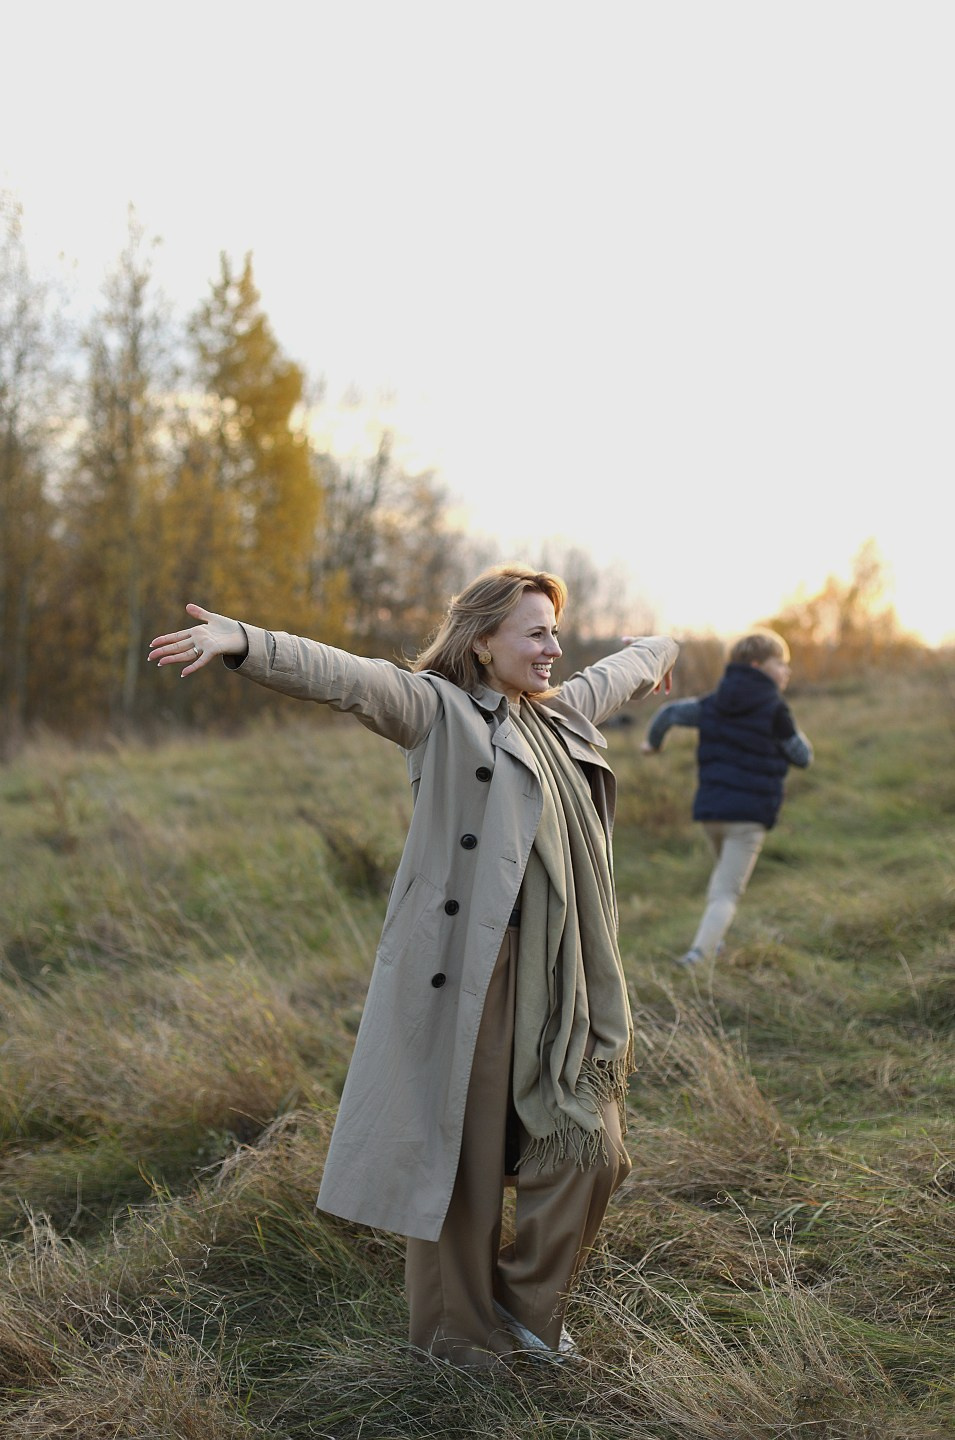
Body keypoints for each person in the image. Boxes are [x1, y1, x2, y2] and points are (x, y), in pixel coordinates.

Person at [148, 565, 678, 1367]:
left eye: (553, 633)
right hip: (471, 972)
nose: (552, 649)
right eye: (535, 633)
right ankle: (455, 1343)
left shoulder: (561, 713)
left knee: (590, 1148)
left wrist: (659, 647)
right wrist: (243, 643)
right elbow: (349, 679)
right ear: (482, 640)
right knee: (458, 1168)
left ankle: (527, 1311)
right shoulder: (440, 712)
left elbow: (617, 670)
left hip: (559, 974)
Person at [640, 626, 812, 967]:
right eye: (781, 664)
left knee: (722, 881)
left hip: (711, 814)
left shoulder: (713, 702)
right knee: (726, 892)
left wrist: (653, 743)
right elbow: (802, 756)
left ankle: (713, 943)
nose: (787, 671)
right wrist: (790, 728)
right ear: (756, 665)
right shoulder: (776, 710)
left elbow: (670, 713)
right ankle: (698, 957)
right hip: (748, 817)